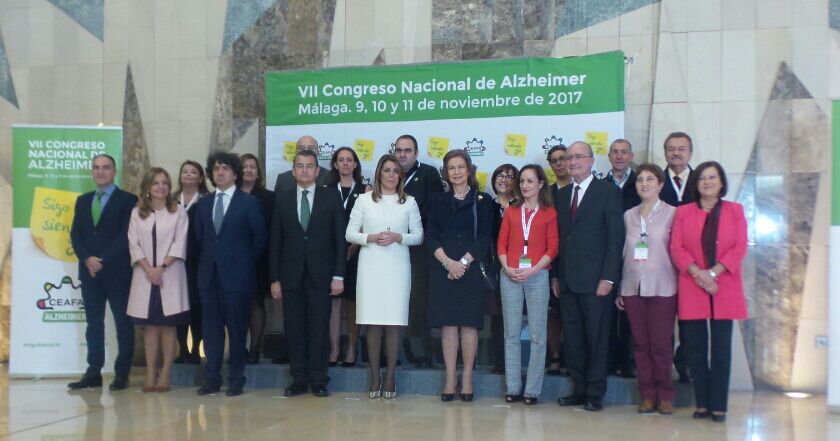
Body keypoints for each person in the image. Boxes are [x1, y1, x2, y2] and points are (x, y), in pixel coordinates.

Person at [670, 161, 747, 423]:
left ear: (722, 182)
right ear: (696, 183)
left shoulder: (735, 211)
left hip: (724, 286)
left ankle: (719, 406)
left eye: (712, 177)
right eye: (702, 178)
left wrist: (712, 273)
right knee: (695, 349)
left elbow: (738, 248)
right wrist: (699, 275)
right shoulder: (684, 212)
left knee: (722, 350)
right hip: (692, 286)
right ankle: (702, 403)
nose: (707, 182)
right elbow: (677, 248)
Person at [552, 141, 624, 412]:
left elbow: (614, 238)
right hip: (568, 281)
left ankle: (595, 392)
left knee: (596, 337)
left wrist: (609, 277)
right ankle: (579, 388)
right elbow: (561, 240)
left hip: (597, 282)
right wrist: (556, 276)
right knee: (573, 338)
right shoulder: (561, 195)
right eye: (569, 158)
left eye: (579, 157)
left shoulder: (608, 192)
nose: (572, 162)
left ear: (592, 161)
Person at [346, 154, 423, 398]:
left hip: (398, 267)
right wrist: (370, 237)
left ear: (400, 176)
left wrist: (399, 237)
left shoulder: (409, 202)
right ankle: (374, 375)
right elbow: (350, 234)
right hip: (370, 266)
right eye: (387, 170)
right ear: (379, 173)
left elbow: (419, 236)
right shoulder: (364, 200)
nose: (391, 175)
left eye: (395, 171)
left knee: (393, 322)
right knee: (373, 321)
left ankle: (390, 375)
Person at [270, 150, 346, 398]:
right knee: (294, 328)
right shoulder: (282, 198)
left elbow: (339, 240)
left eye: (309, 166)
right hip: (290, 276)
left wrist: (338, 275)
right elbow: (275, 242)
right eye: (300, 166)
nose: (304, 170)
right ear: (293, 171)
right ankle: (299, 378)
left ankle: (319, 379)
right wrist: (274, 279)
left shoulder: (330, 197)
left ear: (317, 171)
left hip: (321, 275)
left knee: (318, 328)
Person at [193, 152, 267, 397]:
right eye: (216, 169)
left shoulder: (248, 203)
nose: (220, 172)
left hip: (237, 278)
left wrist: (241, 263)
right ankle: (211, 379)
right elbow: (199, 239)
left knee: (237, 331)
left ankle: (236, 379)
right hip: (209, 278)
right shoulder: (203, 204)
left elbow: (259, 240)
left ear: (235, 173)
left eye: (225, 168)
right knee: (211, 332)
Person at [426, 150, 493, 402]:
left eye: (460, 167)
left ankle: (467, 380)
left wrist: (463, 263)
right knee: (448, 326)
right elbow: (431, 236)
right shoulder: (437, 200)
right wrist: (448, 263)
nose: (456, 172)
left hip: (470, 269)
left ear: (469, 170)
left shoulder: (483, 201)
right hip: (443, 269)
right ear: (446, 172)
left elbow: (485, 238)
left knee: (468, 325)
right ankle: (451, 378)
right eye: (451, 167)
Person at [68, 154, 138, 391]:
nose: (101, 172)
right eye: (96, 168)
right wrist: (87, 258)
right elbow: (76, 234)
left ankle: (122, 374)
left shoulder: (128, 200)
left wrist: (103, 259)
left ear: (114, 171)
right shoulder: (82, 200)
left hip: (117, 272)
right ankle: (93, 372)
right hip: (90, 273)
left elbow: (126, 235)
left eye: (106, 168)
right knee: (93, 325)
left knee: (123, 325)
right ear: (92, 171)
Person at [614, 163, 678, 414]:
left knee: (661, 344)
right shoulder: (628, 215)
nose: (644, 183)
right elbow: (622, 253)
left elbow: (677, 250)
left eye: (650, 179)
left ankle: (665, 395)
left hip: (663, 286)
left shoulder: (673, 213)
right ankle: (647, 395)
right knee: (640, 343)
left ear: (661, 185)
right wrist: (620, 287)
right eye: (640, 179)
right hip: (632, 286)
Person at [497, 164, 559, 405]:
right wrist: (506, 267)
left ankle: (532, 390)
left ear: (540, 184)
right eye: (522, 181)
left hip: (537, 275)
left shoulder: (549, 213)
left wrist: (533, 270)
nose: (524, 185)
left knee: (537, 334)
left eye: (530, 181)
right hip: (510, 275)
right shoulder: (512, 211)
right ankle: (513, 387)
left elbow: (553, 247)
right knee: (511, 333)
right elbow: (501, 243)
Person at [127, 168, 191, 393]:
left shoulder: (178, 212)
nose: (161, 186)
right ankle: (150, 372)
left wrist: (161, 268)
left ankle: (166, 373)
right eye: (156, 183)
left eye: (165, 182)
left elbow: (179, 242)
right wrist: (148, 269)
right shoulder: (137, 213)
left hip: (169, 275)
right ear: (147, 187)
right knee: (151, 326)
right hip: (145, 277)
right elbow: (133, 244)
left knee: (168, 326)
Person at [394, 134, 444, 367]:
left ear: (416, 153)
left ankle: (420, 350)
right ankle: (394, 351)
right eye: (399, 150)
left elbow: (434, 211)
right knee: (395, 300)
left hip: (420, 249)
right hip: (392, 247)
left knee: (418, 301)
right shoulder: (389, 173)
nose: (403, 154)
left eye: (408, 150)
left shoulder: (428, 174)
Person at [325, 147, 369, 367]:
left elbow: (367, 222)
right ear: (334, 164)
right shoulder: (325, 189)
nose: (345, 163)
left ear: (355, 164)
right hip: (331, 253)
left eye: (349, 160)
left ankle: (352, 348)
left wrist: (352, 247)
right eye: (340, 160)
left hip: (357, 252)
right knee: (334, 302)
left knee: (353, 302)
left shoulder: (365, 190)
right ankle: (333, 348)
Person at [660, 131, 697, 383]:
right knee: (662, 319)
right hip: (660, 260)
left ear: (690, 153)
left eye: (681, 149)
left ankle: (686, 363)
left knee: (689, 319)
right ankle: (661, 368)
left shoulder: (700, 180)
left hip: (692, 263)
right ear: (665, 153)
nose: (676, 153)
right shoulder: (655, 180)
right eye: (671, 149)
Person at [604, 138, 641, 379]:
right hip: (607, 254)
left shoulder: (641, 183)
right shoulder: (600, 184)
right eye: (615, 152)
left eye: (623, 152)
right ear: (609, 156)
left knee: (630, 311)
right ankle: (608, 362)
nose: (619, 156)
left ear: (631, 156)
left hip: (634, 254)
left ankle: (628, 363)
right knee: (606, 312)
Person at [173, 160, 209, 364]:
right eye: (184, 171)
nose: (188, 174)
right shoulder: (171, 200)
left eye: (193, 172)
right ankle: (182, 350)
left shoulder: (206, 200)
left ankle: (196, 348)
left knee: (196, 307)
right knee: (178, 307)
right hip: (175, 262)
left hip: (198, 262)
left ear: (201, 177)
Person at [240, 153, 275, 364]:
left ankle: (254, 349)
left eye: (252, 167)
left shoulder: (268, 197)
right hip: (234, 261)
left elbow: (270, 230)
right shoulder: (230, 195)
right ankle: (239, 347)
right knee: (236, 305)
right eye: (244, 167)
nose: (249, 170)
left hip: (259, 259)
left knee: (256, 303)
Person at [488, 164, 519, 375]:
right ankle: (499, 361)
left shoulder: (522, 206)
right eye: (500, 175)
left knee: (514, 318)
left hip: (517, 268)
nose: (504, 179)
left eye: (509, 176)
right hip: (493, 268)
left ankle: (514, 364)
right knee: (497, 317)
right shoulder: (486, 206)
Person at [545, 144, 570, 375]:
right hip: (552, 260)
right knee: (552, 313)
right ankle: (554, 355)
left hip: (577, 262)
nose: (560, 163)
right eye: (555, 160)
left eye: (564, 158)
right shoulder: (548, 194)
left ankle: (571, 356)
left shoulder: (582, 190)